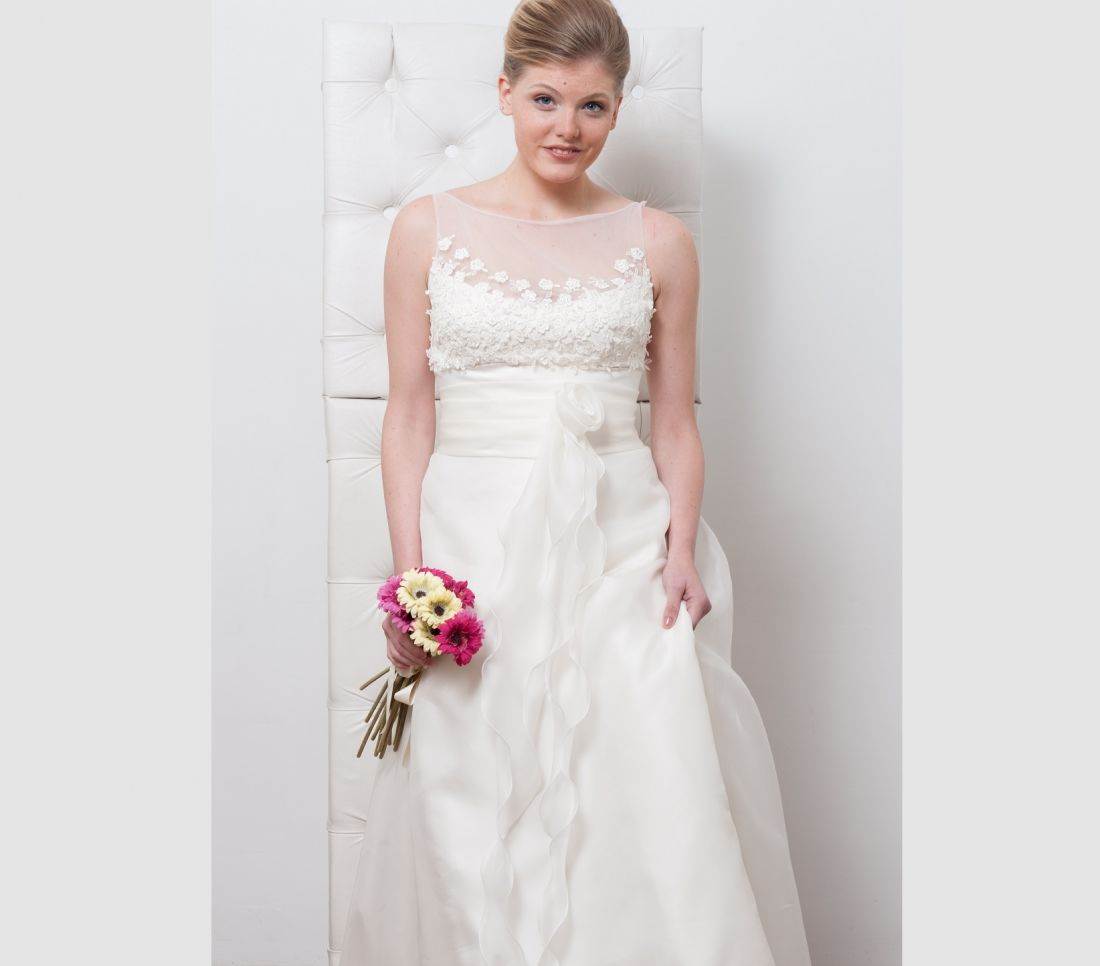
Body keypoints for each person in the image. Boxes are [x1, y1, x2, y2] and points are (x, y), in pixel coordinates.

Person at [338, 1, 813, 963]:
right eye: (546, 99)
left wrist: (681, 551)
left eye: (593, 106)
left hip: (620, 541)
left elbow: (673, 423)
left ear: (618, 109)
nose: (568, 127)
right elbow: (410, 414)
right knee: (466, 793)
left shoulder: (659, 242)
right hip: (473, 540)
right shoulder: (426, 229)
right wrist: (411, 579)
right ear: (504, 92)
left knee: (641, 783)